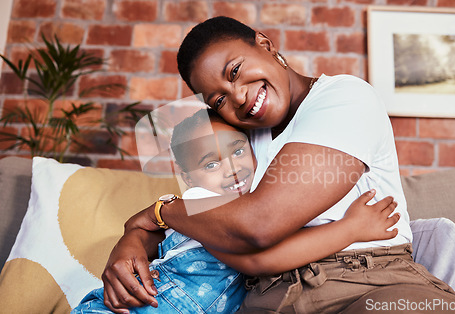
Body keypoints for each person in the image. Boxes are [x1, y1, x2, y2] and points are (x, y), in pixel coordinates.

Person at [100, 16, 455, 313]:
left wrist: (158, 213)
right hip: (267, 298)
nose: (241, 97)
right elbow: (202, 222)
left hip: (370, 283)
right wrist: (133, 238)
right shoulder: (238, 138)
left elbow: (257, 225)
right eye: (219, 99)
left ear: (264, 43)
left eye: (235, 71)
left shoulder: (344, 98)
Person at [73, 108, 401, 313]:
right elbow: (264, 257)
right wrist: (350, 229)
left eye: (239, 150)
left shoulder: (261, 205)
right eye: (211, 163)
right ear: (188, 178)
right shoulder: (204, 202)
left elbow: (144, 224)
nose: (232, 168)